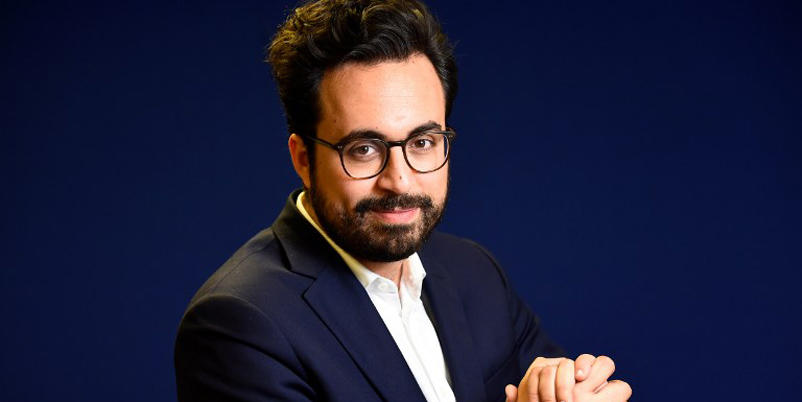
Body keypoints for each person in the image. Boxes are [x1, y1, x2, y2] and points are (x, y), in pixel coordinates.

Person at [174, 1, 632, 401]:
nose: (399, 180)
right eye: (364, 149)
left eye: (423, 142)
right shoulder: (240, 324)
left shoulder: (475, 273)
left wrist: (570, 389)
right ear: (303, 159)